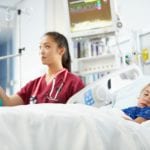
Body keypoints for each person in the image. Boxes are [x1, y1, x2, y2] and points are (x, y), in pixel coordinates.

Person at [0, 31, 85, 106]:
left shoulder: (74, 82)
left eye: (47, 46)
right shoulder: (34, 85)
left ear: (61, 51)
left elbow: (82, 113)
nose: (41, 51)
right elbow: (9, 102)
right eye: (40, 47)